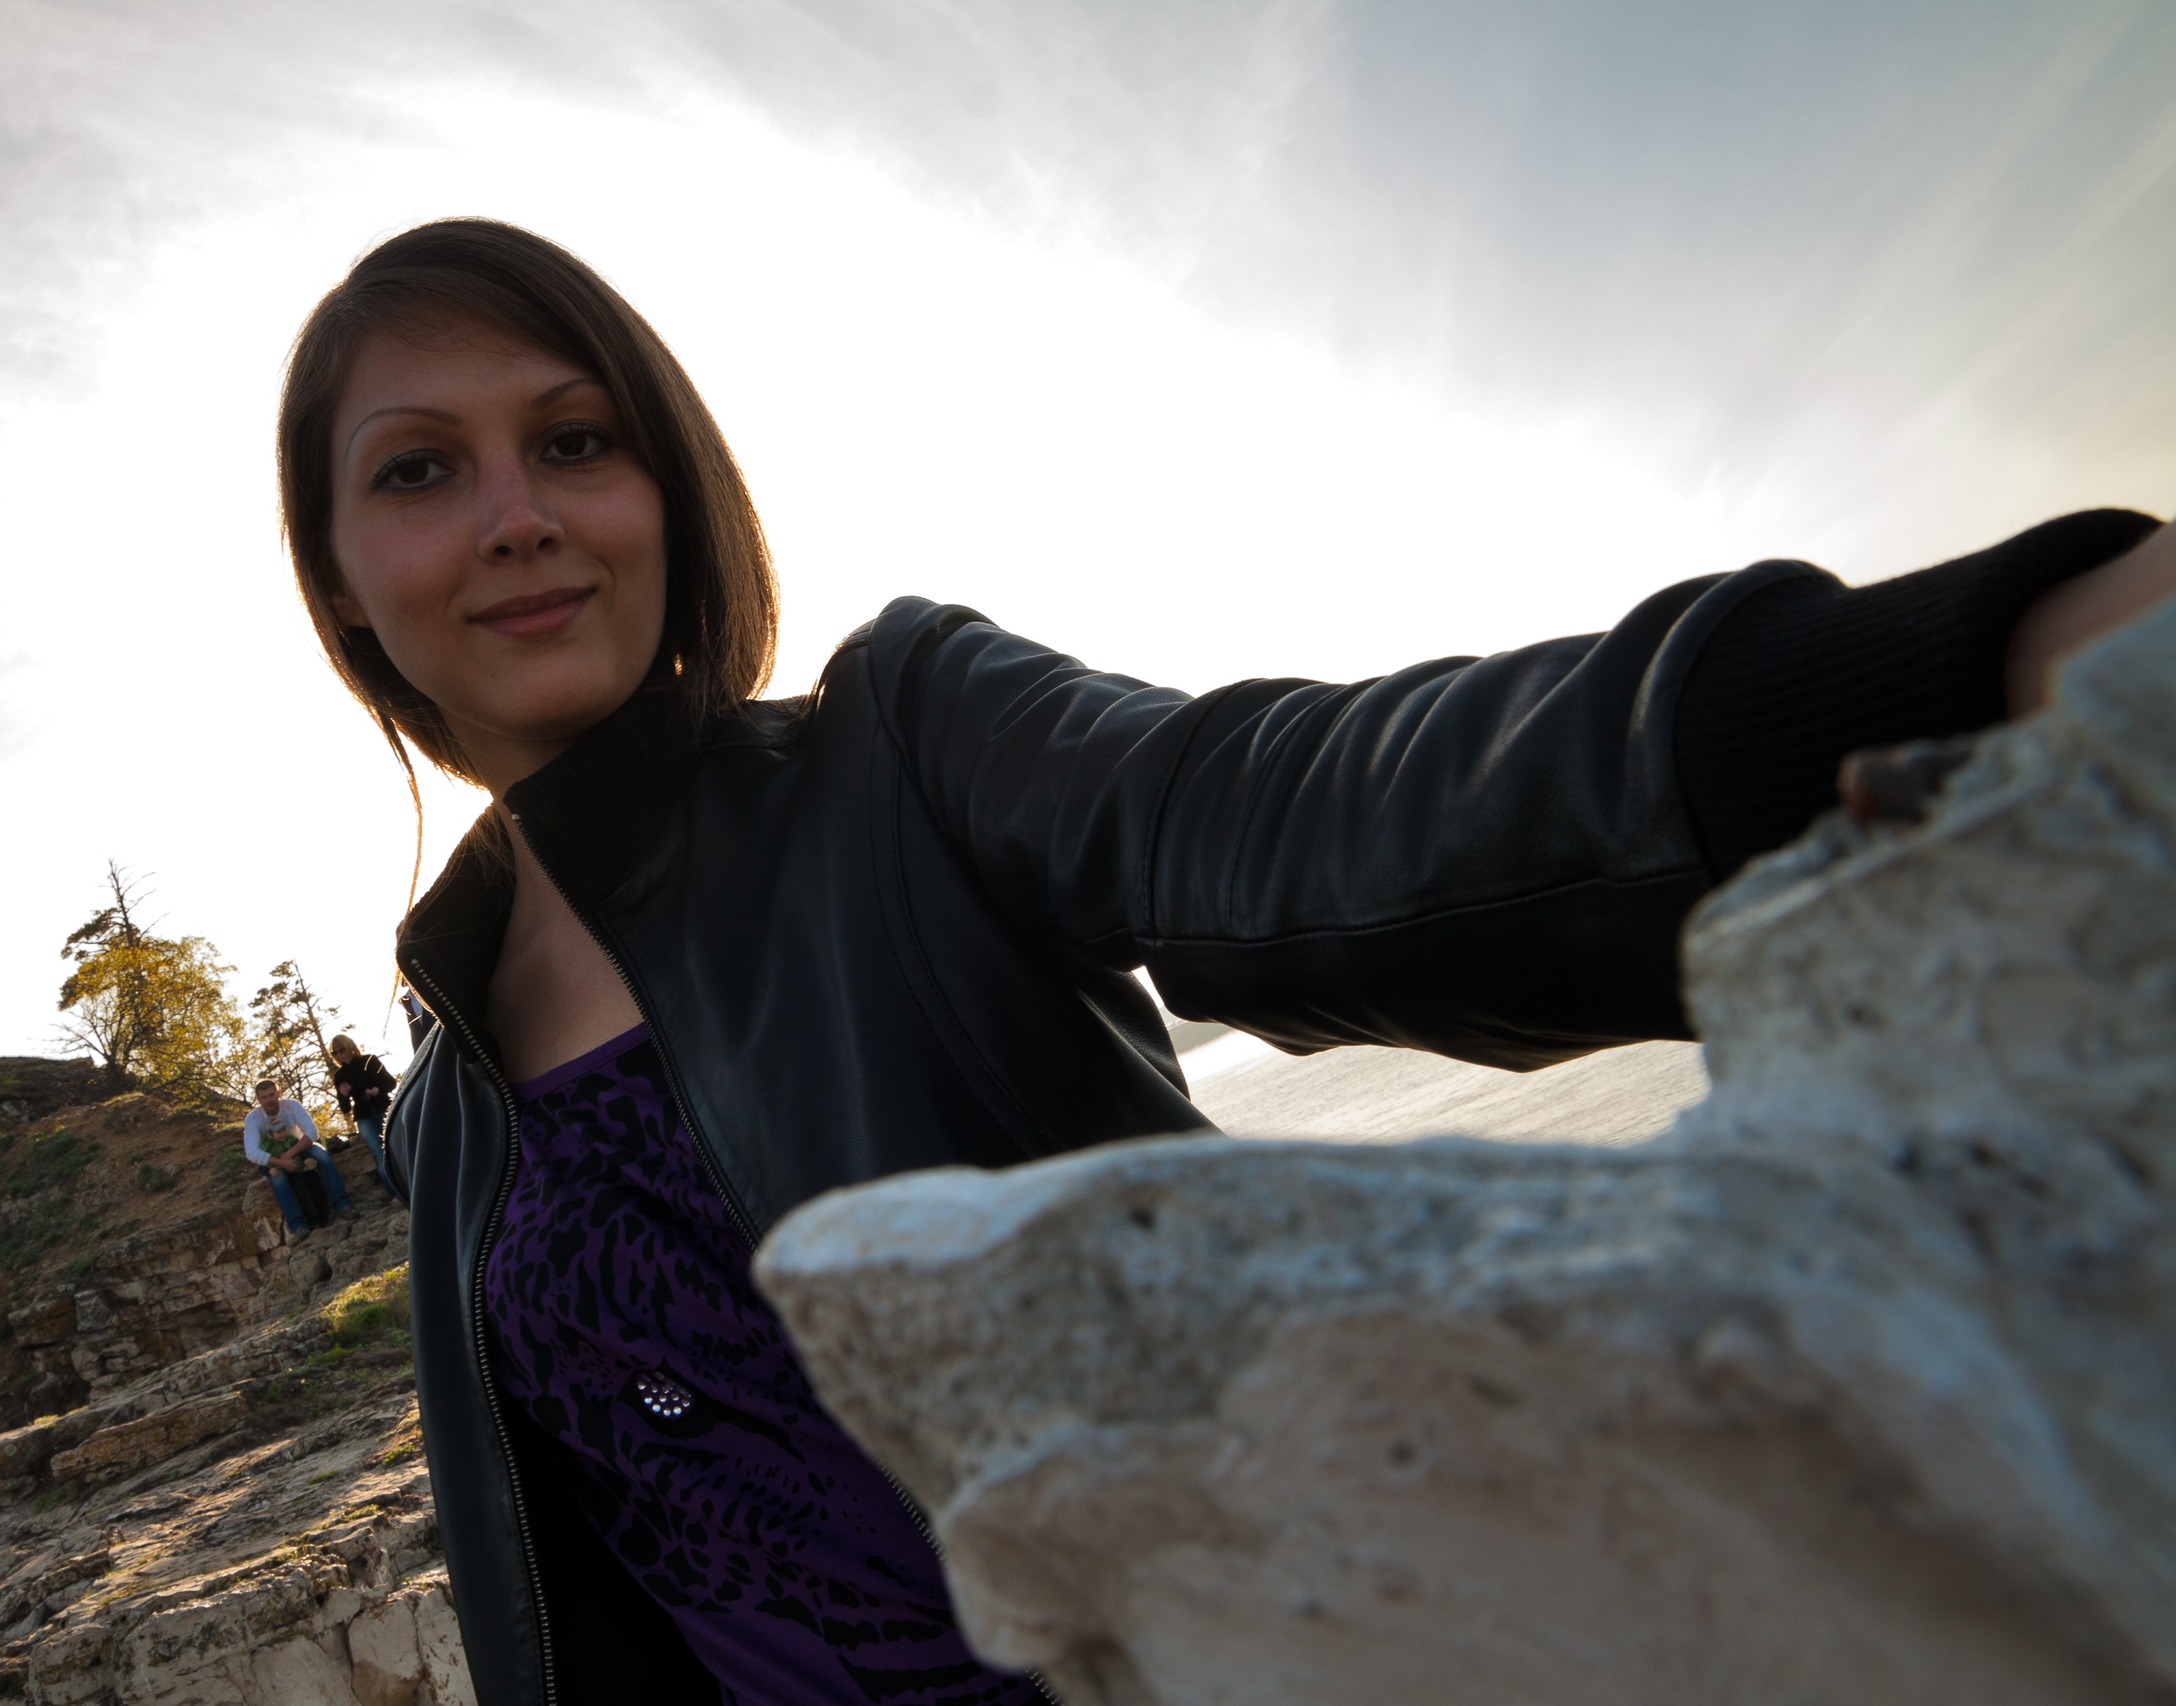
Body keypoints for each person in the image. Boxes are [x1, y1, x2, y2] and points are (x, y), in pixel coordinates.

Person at [277, 219, 2176, 1706]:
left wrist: (1977, 664)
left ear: (669, 486)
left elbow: (1317, 811)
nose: (518, 513)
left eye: (575, 439)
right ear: (343, 581)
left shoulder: (904, 752)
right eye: (421, 470)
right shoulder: (441, 1112)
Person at [241, 1078, 353, 1238]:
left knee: (321, 1154)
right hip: (275, 1156)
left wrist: (290, 1153)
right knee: (278, 1179)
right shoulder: (253, 1118)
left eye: (272, 1095)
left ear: (278, 1094)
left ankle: (343, 1205)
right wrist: (281, 1162)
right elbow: (251, 1151)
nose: (269, 1100)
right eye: (264, 1097)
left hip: (300, 1147)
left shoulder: (292, 1106)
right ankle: (298, 1225)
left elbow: (312, 1132)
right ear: (258, 1099)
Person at [328, 1034, 401, 1201]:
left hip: (383, 1107)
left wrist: (377, 1090)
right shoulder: (340, 1076)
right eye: (334, 1053)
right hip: (364, 1116)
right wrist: (343, 1095)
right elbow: (345, 1108)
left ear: (349, 1047)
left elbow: (391, 1082)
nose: (339, 1055)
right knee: (379, 1153)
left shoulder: (369, 1060)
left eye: (341, 1050)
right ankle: (395, 1194)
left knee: (397, 1145)